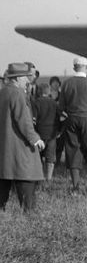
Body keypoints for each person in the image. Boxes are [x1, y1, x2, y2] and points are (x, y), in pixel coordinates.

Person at [0, 63, 46, 212]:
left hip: (4, 148)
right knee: (27, 177)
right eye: (26, 77)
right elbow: (24, 121)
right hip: (19, 147)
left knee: (3, 182)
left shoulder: (3, 92)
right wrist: (36, 139)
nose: (28, 80)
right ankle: (29, 215)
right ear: (18, 78)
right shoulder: (18, 93)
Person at [58, 57, 87, 194]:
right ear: (86, 68)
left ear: (74, 68)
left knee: (73, 151)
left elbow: (60, 106)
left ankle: (76, 187)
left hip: (71, 119)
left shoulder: (66, 83)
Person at [31, 82, 60, 184]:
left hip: (39, 134)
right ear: (48, 91)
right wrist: (59, 130)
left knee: (38, 158)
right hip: (52, 134)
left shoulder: (35, 103)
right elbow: (60, 118)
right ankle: (48, 179)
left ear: (38, 91)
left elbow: (33, 119)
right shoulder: (54, 103)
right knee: (50, 159)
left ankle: (39, 179)